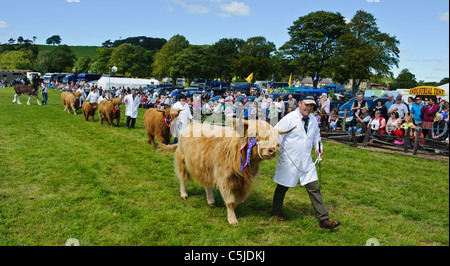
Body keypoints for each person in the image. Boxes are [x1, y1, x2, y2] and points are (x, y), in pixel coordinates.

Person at [271, 93, 340, 229]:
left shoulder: (313, 119)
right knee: (282, 187)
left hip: (306, 161)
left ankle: (324, 219)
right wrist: (275, 145)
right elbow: (276, 133)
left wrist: (318, 148)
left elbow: (316, 136)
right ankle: (275, 212)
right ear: (300, 103)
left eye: (311, 106)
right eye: (307, 105)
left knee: (314, 188)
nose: (309, 108)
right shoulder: (289, 118)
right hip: (290, 160)